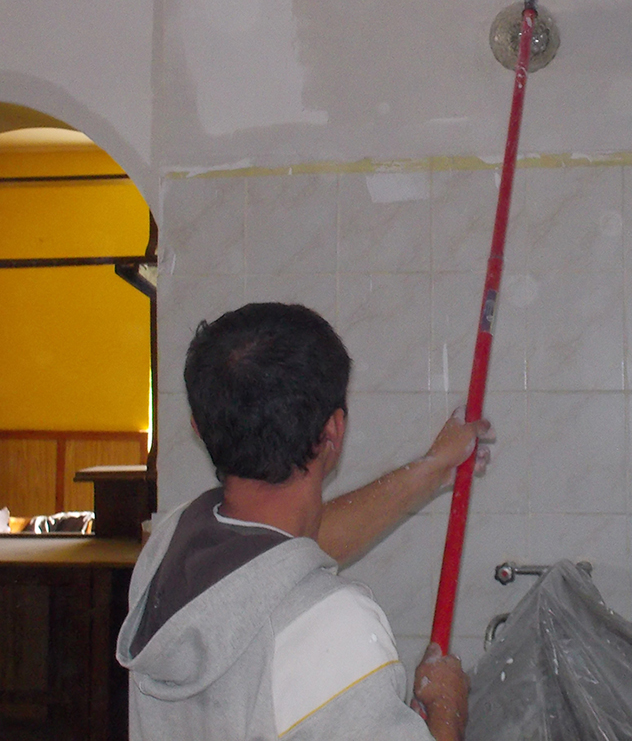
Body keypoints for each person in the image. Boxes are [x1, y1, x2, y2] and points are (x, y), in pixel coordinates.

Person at [116, 302, 490, 741]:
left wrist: (431, 469)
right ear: (334, 430)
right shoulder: (336, 628)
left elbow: (283, 560)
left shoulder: (171, 546)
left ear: (199, 427)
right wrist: (447, 707)